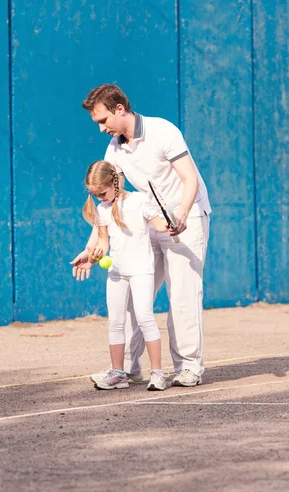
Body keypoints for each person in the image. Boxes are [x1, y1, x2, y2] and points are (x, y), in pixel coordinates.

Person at [71, 84, 211, 387]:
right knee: (137, 295)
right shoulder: (114, 149)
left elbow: (190, 180)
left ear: (120, 109)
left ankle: (189, 367)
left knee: (183, 296)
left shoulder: (163, 132)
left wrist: (181, 216)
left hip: (186, 218)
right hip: (147, 220)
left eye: (103, 121)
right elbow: (111, 202)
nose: (101, 129)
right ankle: (127, 369)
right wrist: (91, 245)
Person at [81, 159, 171, 391]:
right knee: (116, 322)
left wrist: (173, 223)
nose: (100, 198)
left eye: (102, 192)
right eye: (95, 194)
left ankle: (158, 373)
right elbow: (103, 241)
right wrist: (95, 255)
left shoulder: (140, 201)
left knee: (145, 318)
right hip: (116, 273)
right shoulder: (102, 209)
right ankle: (119, 374)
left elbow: (161, 226)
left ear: (114, 183)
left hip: (141, 270)